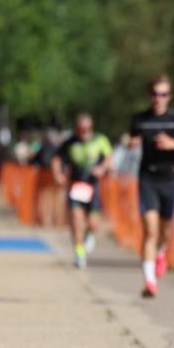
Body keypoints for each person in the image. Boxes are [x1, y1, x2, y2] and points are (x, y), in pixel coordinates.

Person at [128, 74, 174, 298]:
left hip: (170, 179)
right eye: (155, 94)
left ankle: (161, 251)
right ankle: (149, 282)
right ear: (149, 95)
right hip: (148, 178)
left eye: (163, 94)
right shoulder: (140, 119)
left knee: (165, 231)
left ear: (169, 96)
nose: (159, 98)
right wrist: (133, 142)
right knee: (150, 229)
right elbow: (132, 138)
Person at [51, 113, 113, 268]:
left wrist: (102, 168)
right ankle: (79, 253)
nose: (84, 132)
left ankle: (89, 235)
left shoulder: (100, 140)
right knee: (76, 221)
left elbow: (109, 157)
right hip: (76, 186)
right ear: (76, 129)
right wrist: (58, 175)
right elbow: (56, 159)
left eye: (87, 129)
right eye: (81, 129)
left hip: (93, 186)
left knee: (93, 224)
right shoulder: (70, 143)